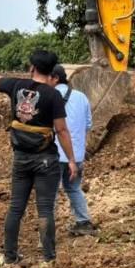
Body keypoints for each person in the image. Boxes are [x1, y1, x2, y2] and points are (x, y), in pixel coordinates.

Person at [0, 50, 77, 264]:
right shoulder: (53, 95)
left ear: (32, 68)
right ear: (51, 73)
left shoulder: (15, 86)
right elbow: (61, 130)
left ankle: (10, 256)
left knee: (15, 208)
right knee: (45, 208)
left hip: (21, 158)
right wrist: (70, 159)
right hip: (45, 160)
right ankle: (49, 258)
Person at [46, 65, 98, 236]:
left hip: (55, 155)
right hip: (76, 155)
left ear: (54, 78)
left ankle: (48, 233)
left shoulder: (48, 97)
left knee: (50, 194)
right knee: (74, 188)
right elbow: (89, 124)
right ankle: (83, 222)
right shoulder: (81, 96)